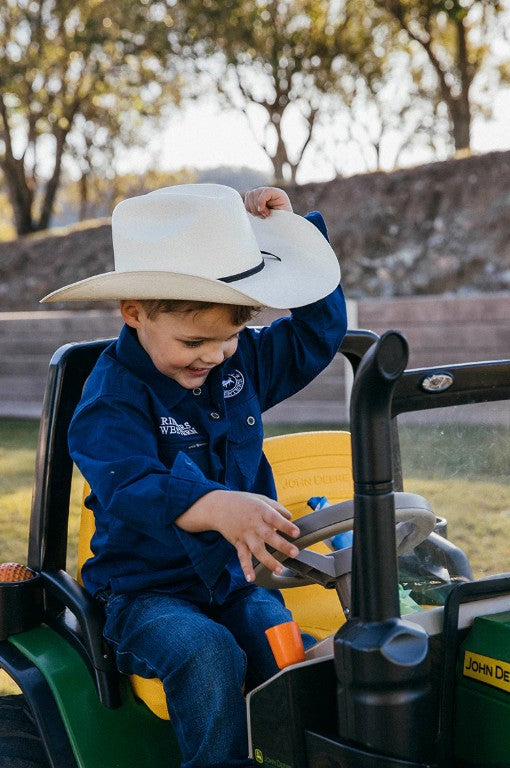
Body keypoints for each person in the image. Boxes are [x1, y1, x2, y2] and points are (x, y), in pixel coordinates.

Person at [42, 183, 347, 768]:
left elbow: (316, 335)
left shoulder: (241, 365)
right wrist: (216, 506)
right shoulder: (110, 400)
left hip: (236, 584)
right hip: (143, 592)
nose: (214, 356)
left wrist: (290, 233)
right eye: (193, 341)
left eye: (230, 337)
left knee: (283, 654)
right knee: (207, 652)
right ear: (133, 313)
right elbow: (129, 487)